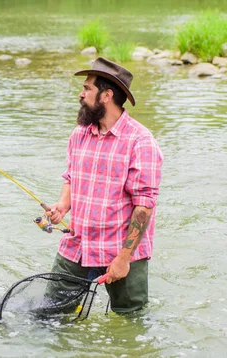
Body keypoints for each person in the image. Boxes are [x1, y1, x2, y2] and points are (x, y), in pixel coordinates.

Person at [45, 57, 164, 314]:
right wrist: (63, 205)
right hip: (78, 244)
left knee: (130, 323)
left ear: (106, 96)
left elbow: (144, 207)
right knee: (51, 314)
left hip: (121, 252)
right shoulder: (80, 133)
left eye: (87, 88)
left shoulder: (141, 141)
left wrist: (123, 259)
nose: (81, 93)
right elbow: (71, 176)